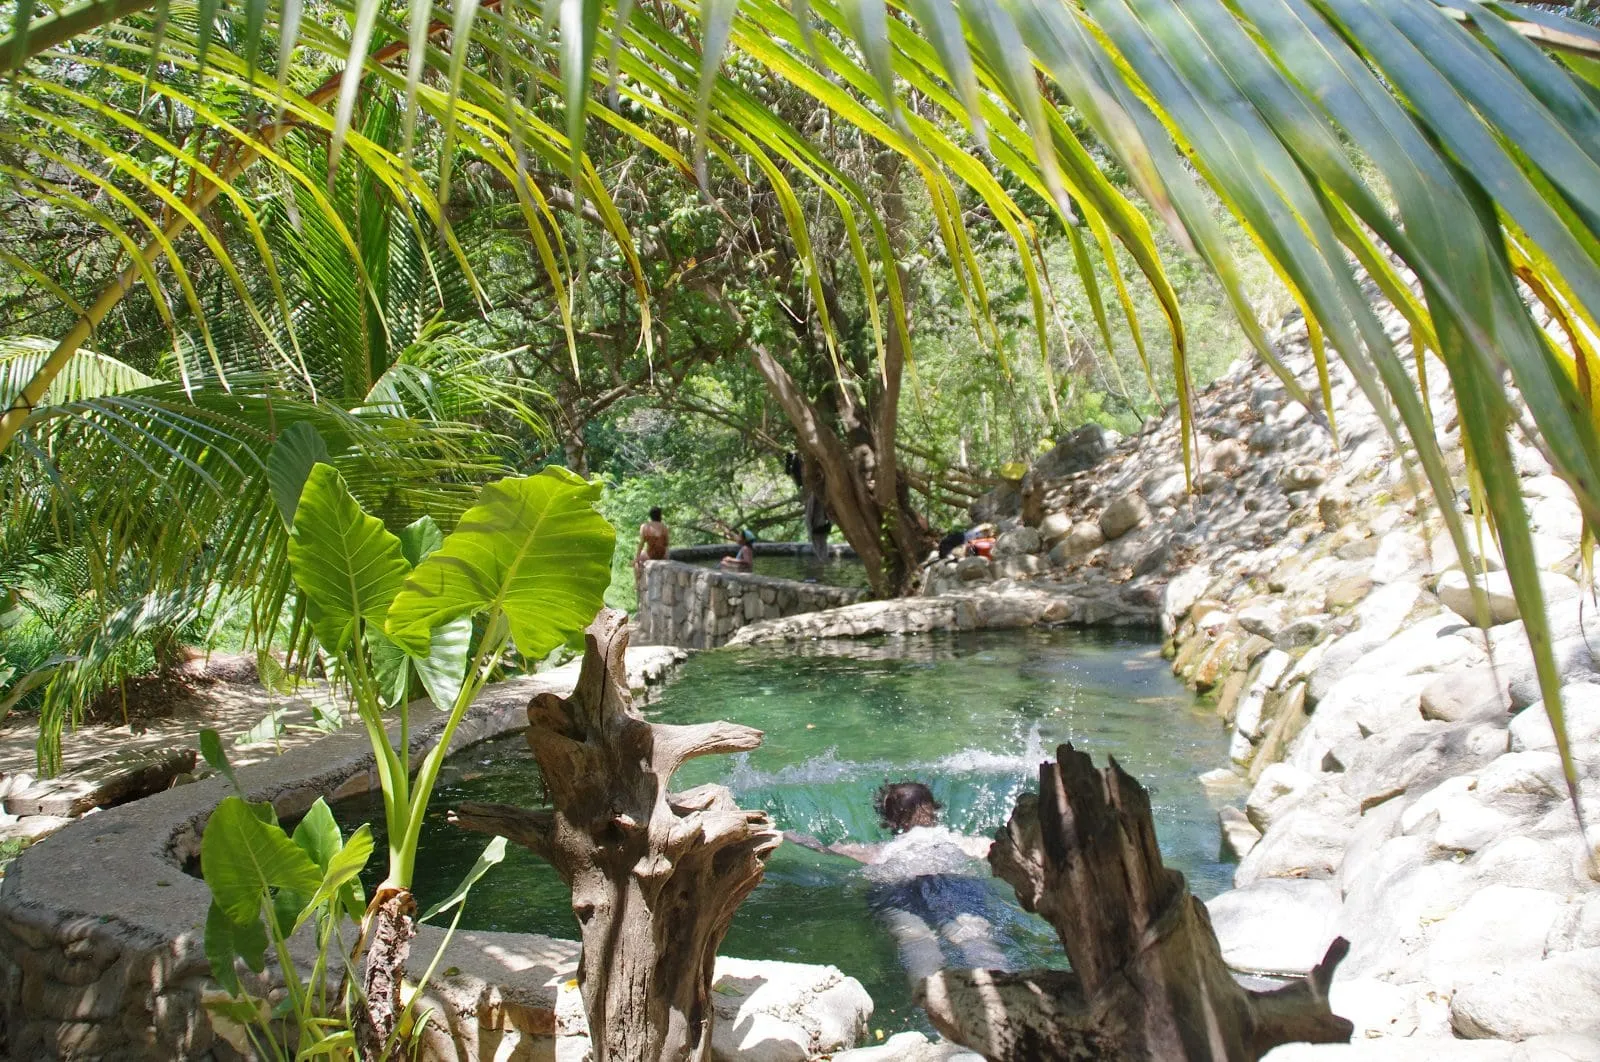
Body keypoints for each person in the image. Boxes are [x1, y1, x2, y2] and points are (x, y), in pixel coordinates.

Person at [785, 780, 1007, 987]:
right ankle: (1003, 990)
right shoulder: (960, 841)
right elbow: (997, 847)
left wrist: (794, 837)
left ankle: (930, 1000)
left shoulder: (882, 851)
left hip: (898, 887)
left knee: (914, 938)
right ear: (935, 809)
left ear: (889, 820)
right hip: (953, 884)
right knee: (974, 935)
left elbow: (831, 850)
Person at [634, 507, 669, 582]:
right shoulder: (664, 527)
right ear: (660, 516)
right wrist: (666, 557)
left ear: (650, 516)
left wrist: (636, 558)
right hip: (661, 554)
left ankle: (637, 582)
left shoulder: (645, 527)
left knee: (637, 561)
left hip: (650, 554)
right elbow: (666, 544)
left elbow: (641, 544)